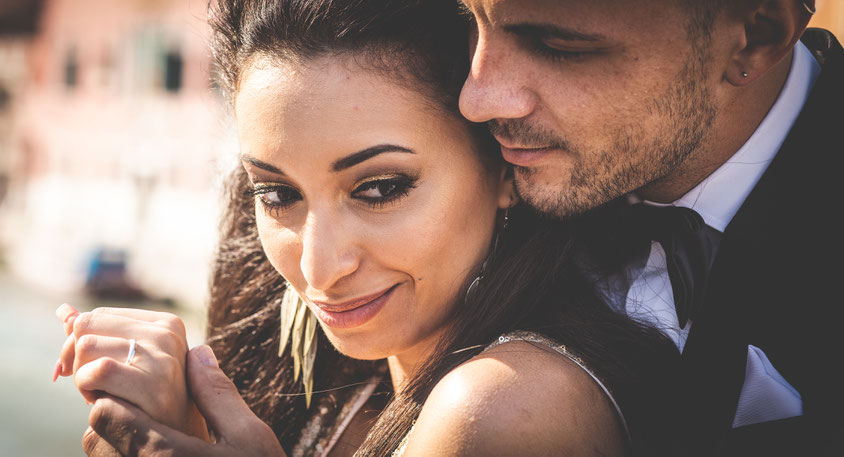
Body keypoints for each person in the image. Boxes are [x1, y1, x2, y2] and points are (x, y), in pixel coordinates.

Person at [53, 0, 679, 455]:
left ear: (504, 168)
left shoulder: (501, 412)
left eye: (379, 190)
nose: (320, 269)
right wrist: (186, 429)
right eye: (277, 194)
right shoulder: (343, 372)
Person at [456, 0, 842, 455]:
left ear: (755, 38)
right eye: (471, 21)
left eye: (558, 45)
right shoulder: (459, 159)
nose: (474, 100)